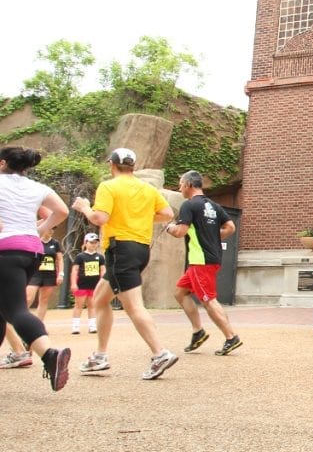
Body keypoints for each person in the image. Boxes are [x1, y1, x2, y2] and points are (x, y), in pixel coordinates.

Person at [71, 147, 178, 380]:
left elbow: (100, 218)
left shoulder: (109, 186)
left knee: (133, 306)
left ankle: (160, 353)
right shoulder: (147, 189)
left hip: (120, 249)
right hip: (140, 249)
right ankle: (100, 356)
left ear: (112, 165)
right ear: (133, 166)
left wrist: (84, 207)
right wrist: (140, 217)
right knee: (100, 300)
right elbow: (168, 213)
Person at [0, 146, 72, 390]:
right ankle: (48, 355)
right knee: (4, 309)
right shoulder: (37, 187)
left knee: (16, 310)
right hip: (31, 251)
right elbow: (61, 211)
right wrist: (40, 229)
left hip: (5, 250)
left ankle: (50, 354)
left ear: (2, 163)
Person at [165, 170, 242, 355]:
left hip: (201, 261)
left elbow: (180, 232)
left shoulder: (189, 205)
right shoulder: (214, 206)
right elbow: (230, 227)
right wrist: (214, 236)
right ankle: (198, 332)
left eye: (181, 184)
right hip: (210, 258)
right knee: (180, 293)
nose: (180, 187)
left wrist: (169, 228)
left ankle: (231, 337)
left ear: (189, 185)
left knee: (208, 300)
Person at [70, 232, 105, 335]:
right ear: (86, 243)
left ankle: (92, 326)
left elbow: (102, 270)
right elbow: (75, 270)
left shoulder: (100, 257)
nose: (93, 244)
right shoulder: (80, 256)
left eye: (95, 243)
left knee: (92, 305)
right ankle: (75, 326)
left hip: (94, 285)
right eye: (91, 242)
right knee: (78, 305)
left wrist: (102, 282)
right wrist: (73, 283)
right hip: (82, 284)